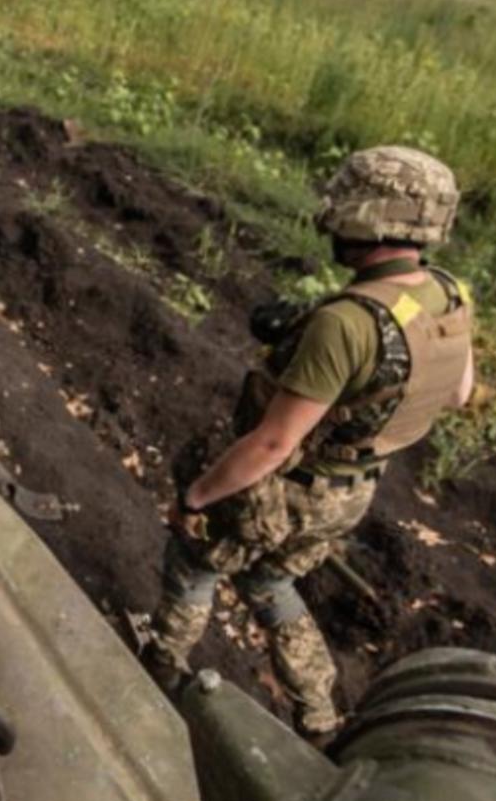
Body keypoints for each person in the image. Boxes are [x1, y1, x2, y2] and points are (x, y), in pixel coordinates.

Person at [147, 146, 476, 735]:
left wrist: (195, 500)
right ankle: (320, 717)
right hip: (352, 494)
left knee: (195, 564)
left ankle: (160, 670)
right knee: (271, 580)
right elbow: (458, 393)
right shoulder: (449, 294)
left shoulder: (346, 324)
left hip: (287, 491)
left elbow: (273, 444)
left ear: (366, 217)